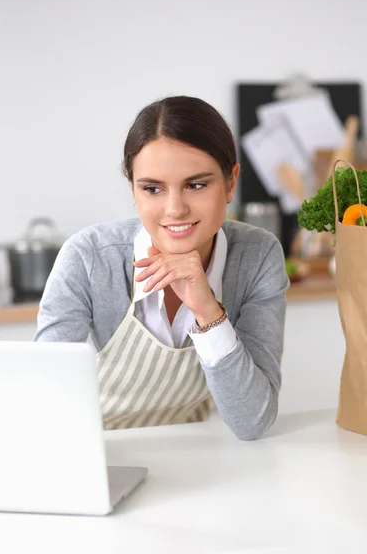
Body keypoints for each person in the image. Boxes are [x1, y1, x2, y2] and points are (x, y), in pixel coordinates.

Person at [35, 95, 289, 440]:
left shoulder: (258, 255)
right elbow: (44, 396)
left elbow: (252, 421)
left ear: (231, 182)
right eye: (152, 188)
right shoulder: (89, 257)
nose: (174, 209)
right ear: (133, 189)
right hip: (98, 451)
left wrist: (207, 309)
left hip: (197, 451)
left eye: (196, 184)